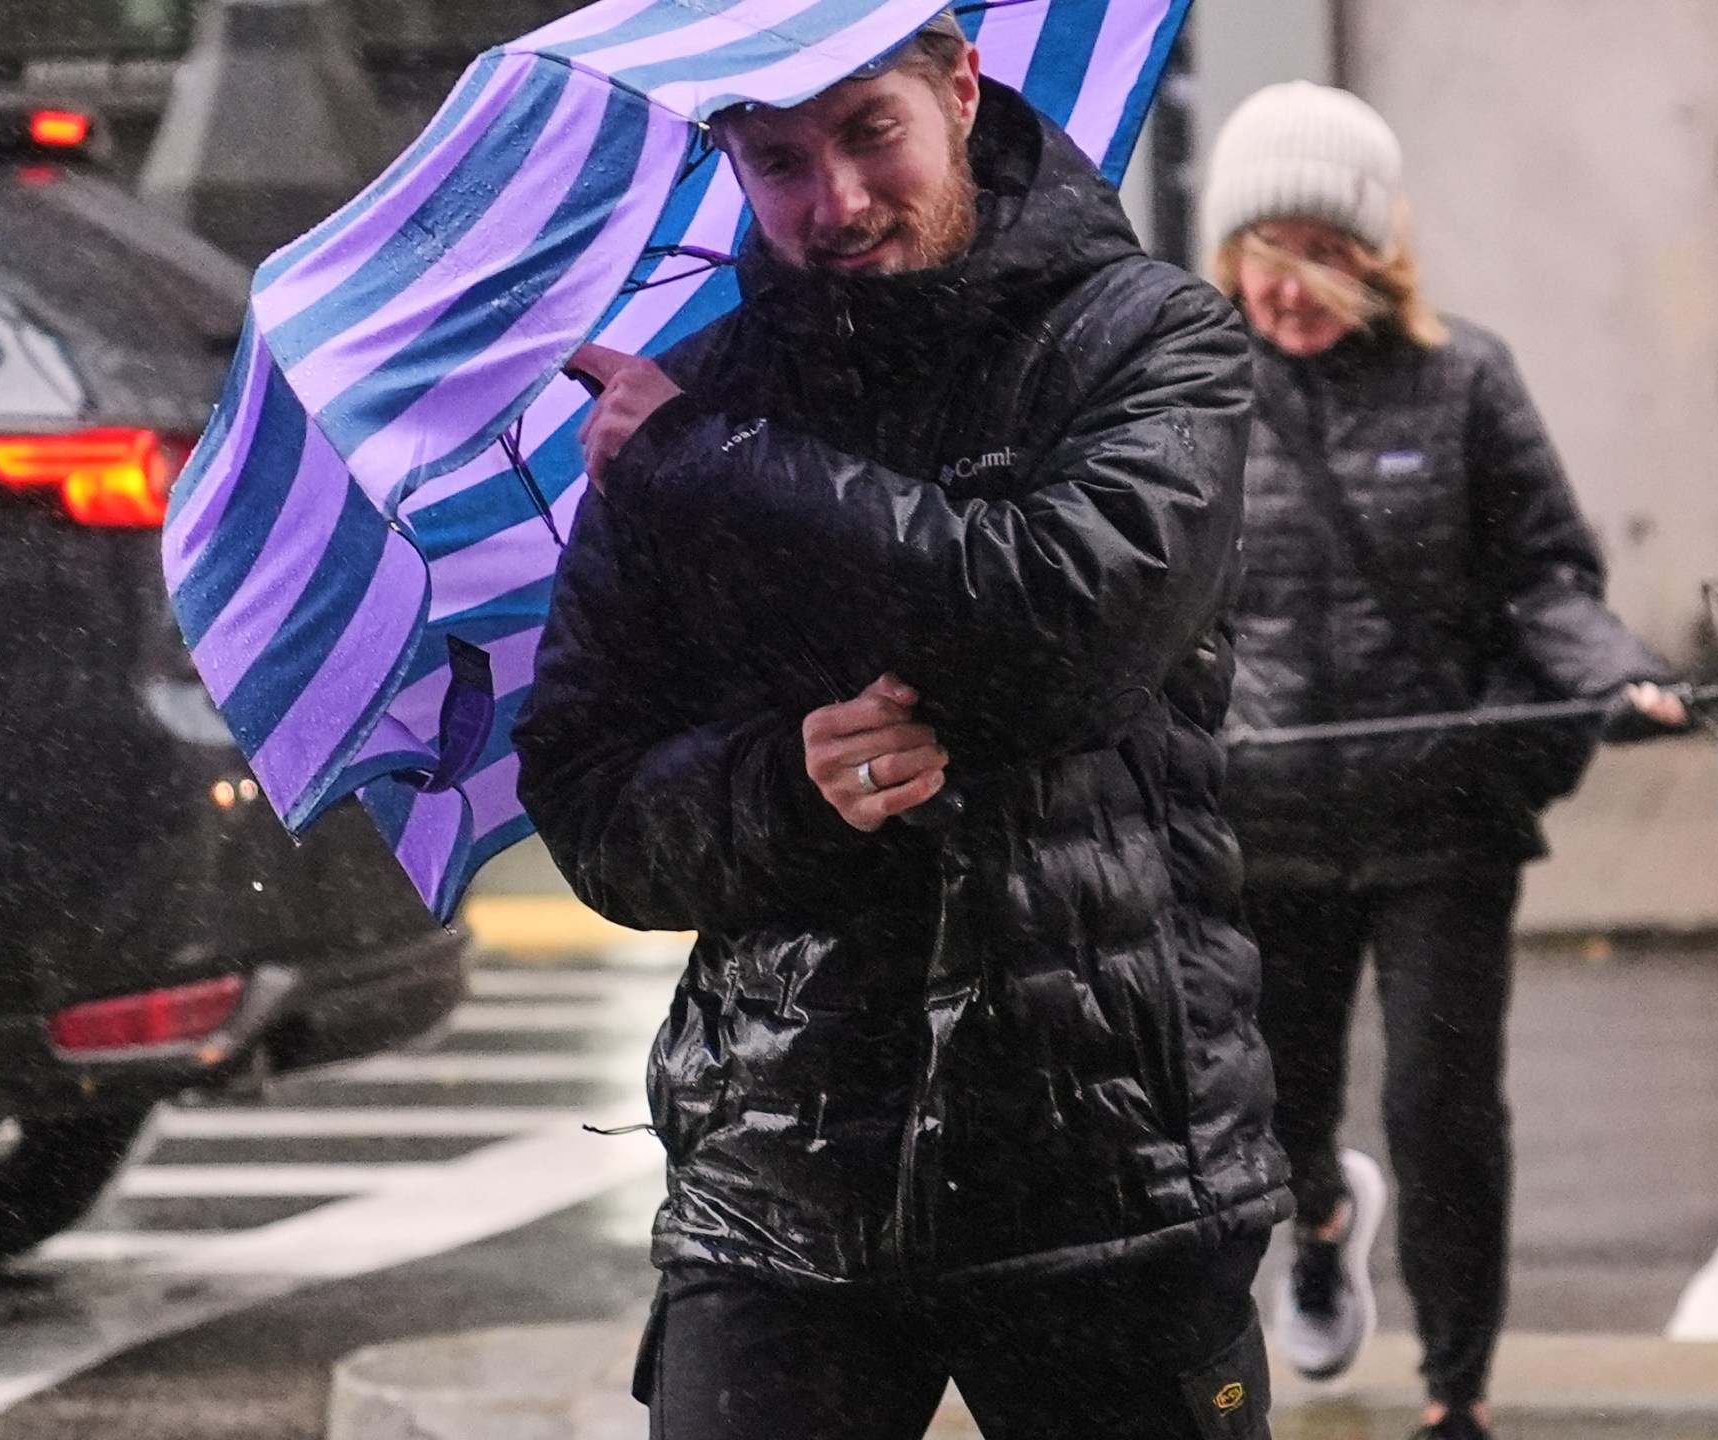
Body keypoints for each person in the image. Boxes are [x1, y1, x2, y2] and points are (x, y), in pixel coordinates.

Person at [513, 13, 1283, 1438]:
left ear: (963, 91)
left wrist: (711, 466)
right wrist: (781, 787)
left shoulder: (1149, 336)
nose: (838, 201)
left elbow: (1065, 627)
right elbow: (592, 800)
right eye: (778, 161)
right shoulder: (703, 396)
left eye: (872, 131)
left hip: (1104, 1172)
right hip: (778, 1188)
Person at [1199, 82, 1685, 1440]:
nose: (1286, 286)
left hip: (1440, 823)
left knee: (1442, 1110)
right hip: (1263, 821)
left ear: (1376, 250)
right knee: (1271, 1111)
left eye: (1319, 250)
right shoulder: (1191, 396)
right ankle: (1321, 1214)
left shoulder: (1463, 377)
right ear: (1225, 253)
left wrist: (1618, 673)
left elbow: (1546, 579)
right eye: (1261, 251)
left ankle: (1454, 1392)